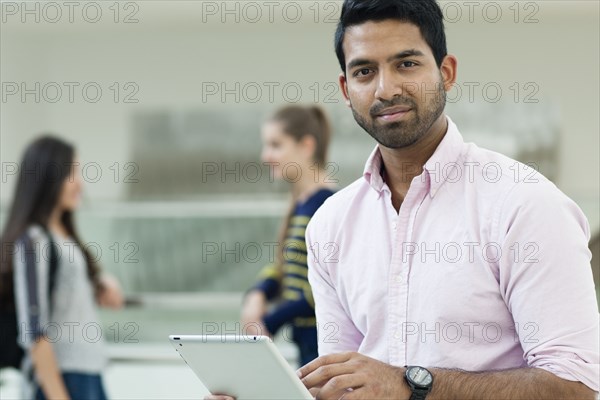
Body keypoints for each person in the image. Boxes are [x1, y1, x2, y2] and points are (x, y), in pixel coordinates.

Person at [292, 1, 599, 399]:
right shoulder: (330, 224)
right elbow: (343, 387)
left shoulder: (524, 205)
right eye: (365, 71)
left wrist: (411, 384)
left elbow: (575, 387)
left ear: (446, 73)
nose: (386, 89)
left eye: (406, 64)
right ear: (346, 90)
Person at [0, 136, 124, 400]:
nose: (79, 183)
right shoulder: (35, 240)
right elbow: (34, 332)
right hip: (63, 378)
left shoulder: (63, 235)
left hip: (88, 372)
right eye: (71, 172)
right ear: (47, 178)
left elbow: (68, 290)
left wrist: (101, 281)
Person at [241, 105, 336, 367]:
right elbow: (287, 265)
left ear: (306, 146)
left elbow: (324, 287)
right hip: (305, 345)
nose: (265, 156)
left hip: (323, 348)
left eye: (275, 145)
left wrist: (268, 323)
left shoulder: (326, 206)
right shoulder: (301, 204)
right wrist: (258, 293)